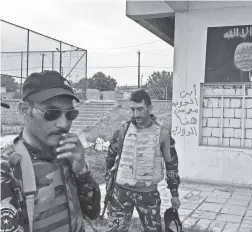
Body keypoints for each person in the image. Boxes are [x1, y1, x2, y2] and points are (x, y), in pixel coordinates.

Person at [1, 70, 101, 232]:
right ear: (25, 110)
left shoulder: (66, 152)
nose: (63, 124)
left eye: (70, 114)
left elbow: (92, 212)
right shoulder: (7, 169)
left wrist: (82, 171)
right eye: (51, 113)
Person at [105, 89, 181, 232]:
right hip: (121, 192)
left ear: (150, 108)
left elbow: (172, 166)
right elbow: (110, 157)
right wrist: (109, 184)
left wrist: (174, 194)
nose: (136, 114)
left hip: (148, 195)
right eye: (132, 109)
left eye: (140, 109)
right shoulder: (124, 129)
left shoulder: (162, 133)